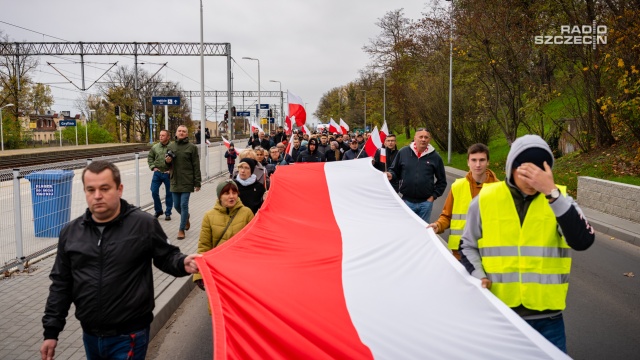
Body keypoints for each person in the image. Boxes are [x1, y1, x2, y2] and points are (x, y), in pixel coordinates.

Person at [40, 161, 201, 360]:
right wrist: (51, 332)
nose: (97, 195)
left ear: (119, 189)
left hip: (129, 335)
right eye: (91, 189)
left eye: (105, 188)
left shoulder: (143, 224)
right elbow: (61, 284)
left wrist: (182, 263)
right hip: (90, 334)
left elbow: (166, 256)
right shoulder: (71, 233)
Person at [460, 135, 595, 353]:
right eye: (526, 171)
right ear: (511, 169)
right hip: (500, 314)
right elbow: (467, 245)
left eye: (540, 171)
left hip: (548, 320)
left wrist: (552, 194)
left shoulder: (560, 200)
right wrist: (479, 275)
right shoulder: (485, 199)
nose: (533, 180)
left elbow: (583, 241)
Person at [427, 143, 499, 259]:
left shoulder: (500, 189)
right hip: (461, 253)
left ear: (488, 162)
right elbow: (447, 216)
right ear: (468, 162)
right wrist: (438, 225)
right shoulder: (457, 186)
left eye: (482, 160)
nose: (478, 164)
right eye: (474, 160)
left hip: (489, 254)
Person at [193, 180, 254, 291]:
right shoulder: (209, 216)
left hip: (241, 270)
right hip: (218, 270)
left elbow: (253, 244)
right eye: (226, 193)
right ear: (219, 196)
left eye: (234, 193)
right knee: (220, 305)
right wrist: (199, 274)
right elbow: (204, 246)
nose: (231, 196)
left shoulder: (247, 213)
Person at [386, 128, 447, 223]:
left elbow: (442, 181)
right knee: (406, 229)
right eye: (421, 137)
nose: (423, 139)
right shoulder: (403, 152)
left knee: (423, 231)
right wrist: (391, 175)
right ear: (415, 138)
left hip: (426, 204)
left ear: (429, 139)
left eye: (426, 137)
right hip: (407, 201)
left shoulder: (435, 157)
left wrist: (433, 196)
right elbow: (394, 171)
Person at [166, 125, 201, 240]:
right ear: (176, 133)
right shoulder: (170, 146)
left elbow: (196, 165)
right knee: (176, 205)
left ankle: (181, 229)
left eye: (184, 131)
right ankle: (186, 218)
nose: (181, 133)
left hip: (187, 180)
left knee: (183, 204)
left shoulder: (192, 147)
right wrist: (167, 161)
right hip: (175, 179)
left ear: (187, 134)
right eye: (179, 131)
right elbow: (166, 164)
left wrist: (197, 182)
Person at [147, 129, 173, 220]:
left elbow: (178, 161)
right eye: (160, 135)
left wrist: (171, 170)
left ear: (168, 137)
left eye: (163, 135)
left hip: (168, 174)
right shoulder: (155, 147)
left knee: (169, 194)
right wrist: (153, 167)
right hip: (157, 173)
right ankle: (158, 210)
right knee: (154, 191)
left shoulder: (173, 147)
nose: (160, 137)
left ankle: (168, 213)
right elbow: (150, 157)